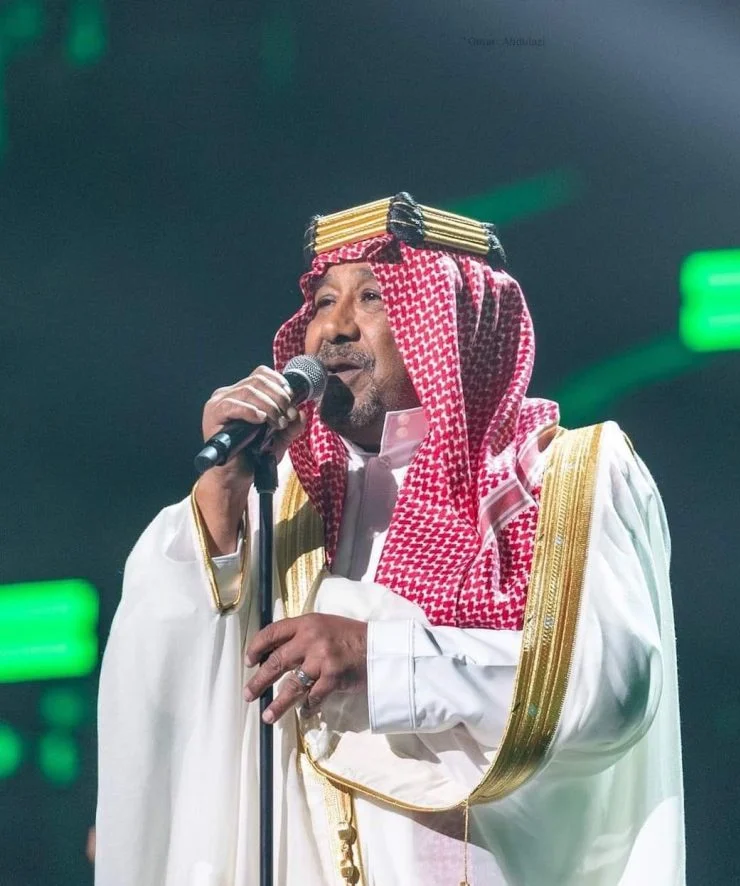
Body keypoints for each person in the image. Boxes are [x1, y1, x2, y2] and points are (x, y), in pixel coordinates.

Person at [95, 193, 685, 886]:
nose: (334, 328)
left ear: (454, 323)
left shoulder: (562, 477)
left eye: (372, 297)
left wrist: (380, 658)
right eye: (322, 302)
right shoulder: (278, 495)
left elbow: (611, 685)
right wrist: (220, 493)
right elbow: (165, 670)